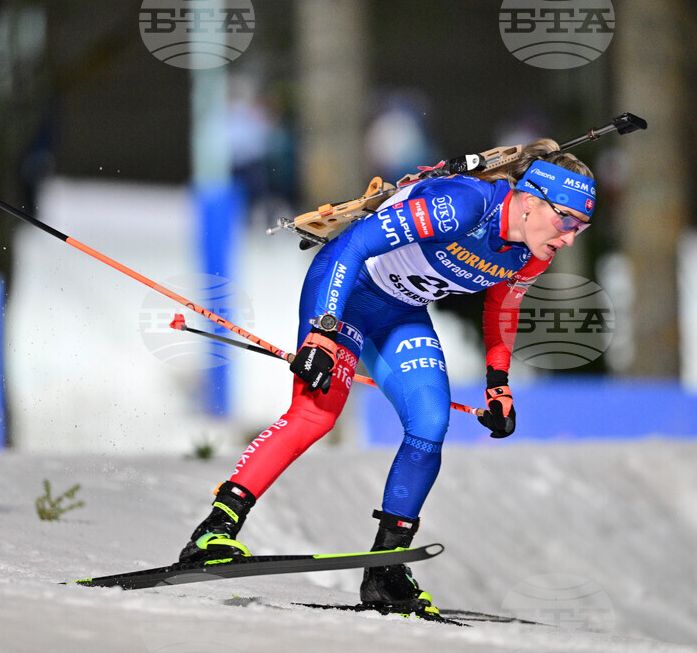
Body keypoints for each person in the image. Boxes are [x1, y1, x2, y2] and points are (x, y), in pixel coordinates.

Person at [178, 139, 595, 616]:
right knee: (316, 415)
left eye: (582, 227)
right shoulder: (462, 206)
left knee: (430, 421)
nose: (570, 238)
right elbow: (351, 247)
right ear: (531, 198)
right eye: (566, 220)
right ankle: (215, 530)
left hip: (401, 315)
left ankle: (386, 567)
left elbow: (503, 306)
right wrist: (322, 332)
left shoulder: (533, 251)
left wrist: (498, 383)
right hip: (345, 295)